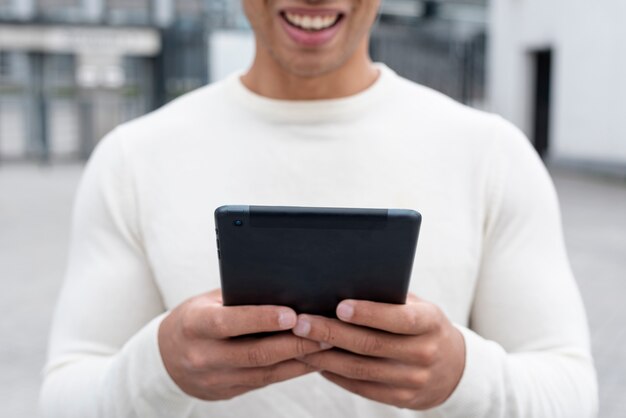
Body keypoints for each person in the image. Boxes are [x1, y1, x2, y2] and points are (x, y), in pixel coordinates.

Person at [40, 1, 598, 417]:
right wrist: (158, 367)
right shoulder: (133, 158)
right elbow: (61, 398)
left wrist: (462, 375)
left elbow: (571, 393)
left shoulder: (491, 154)